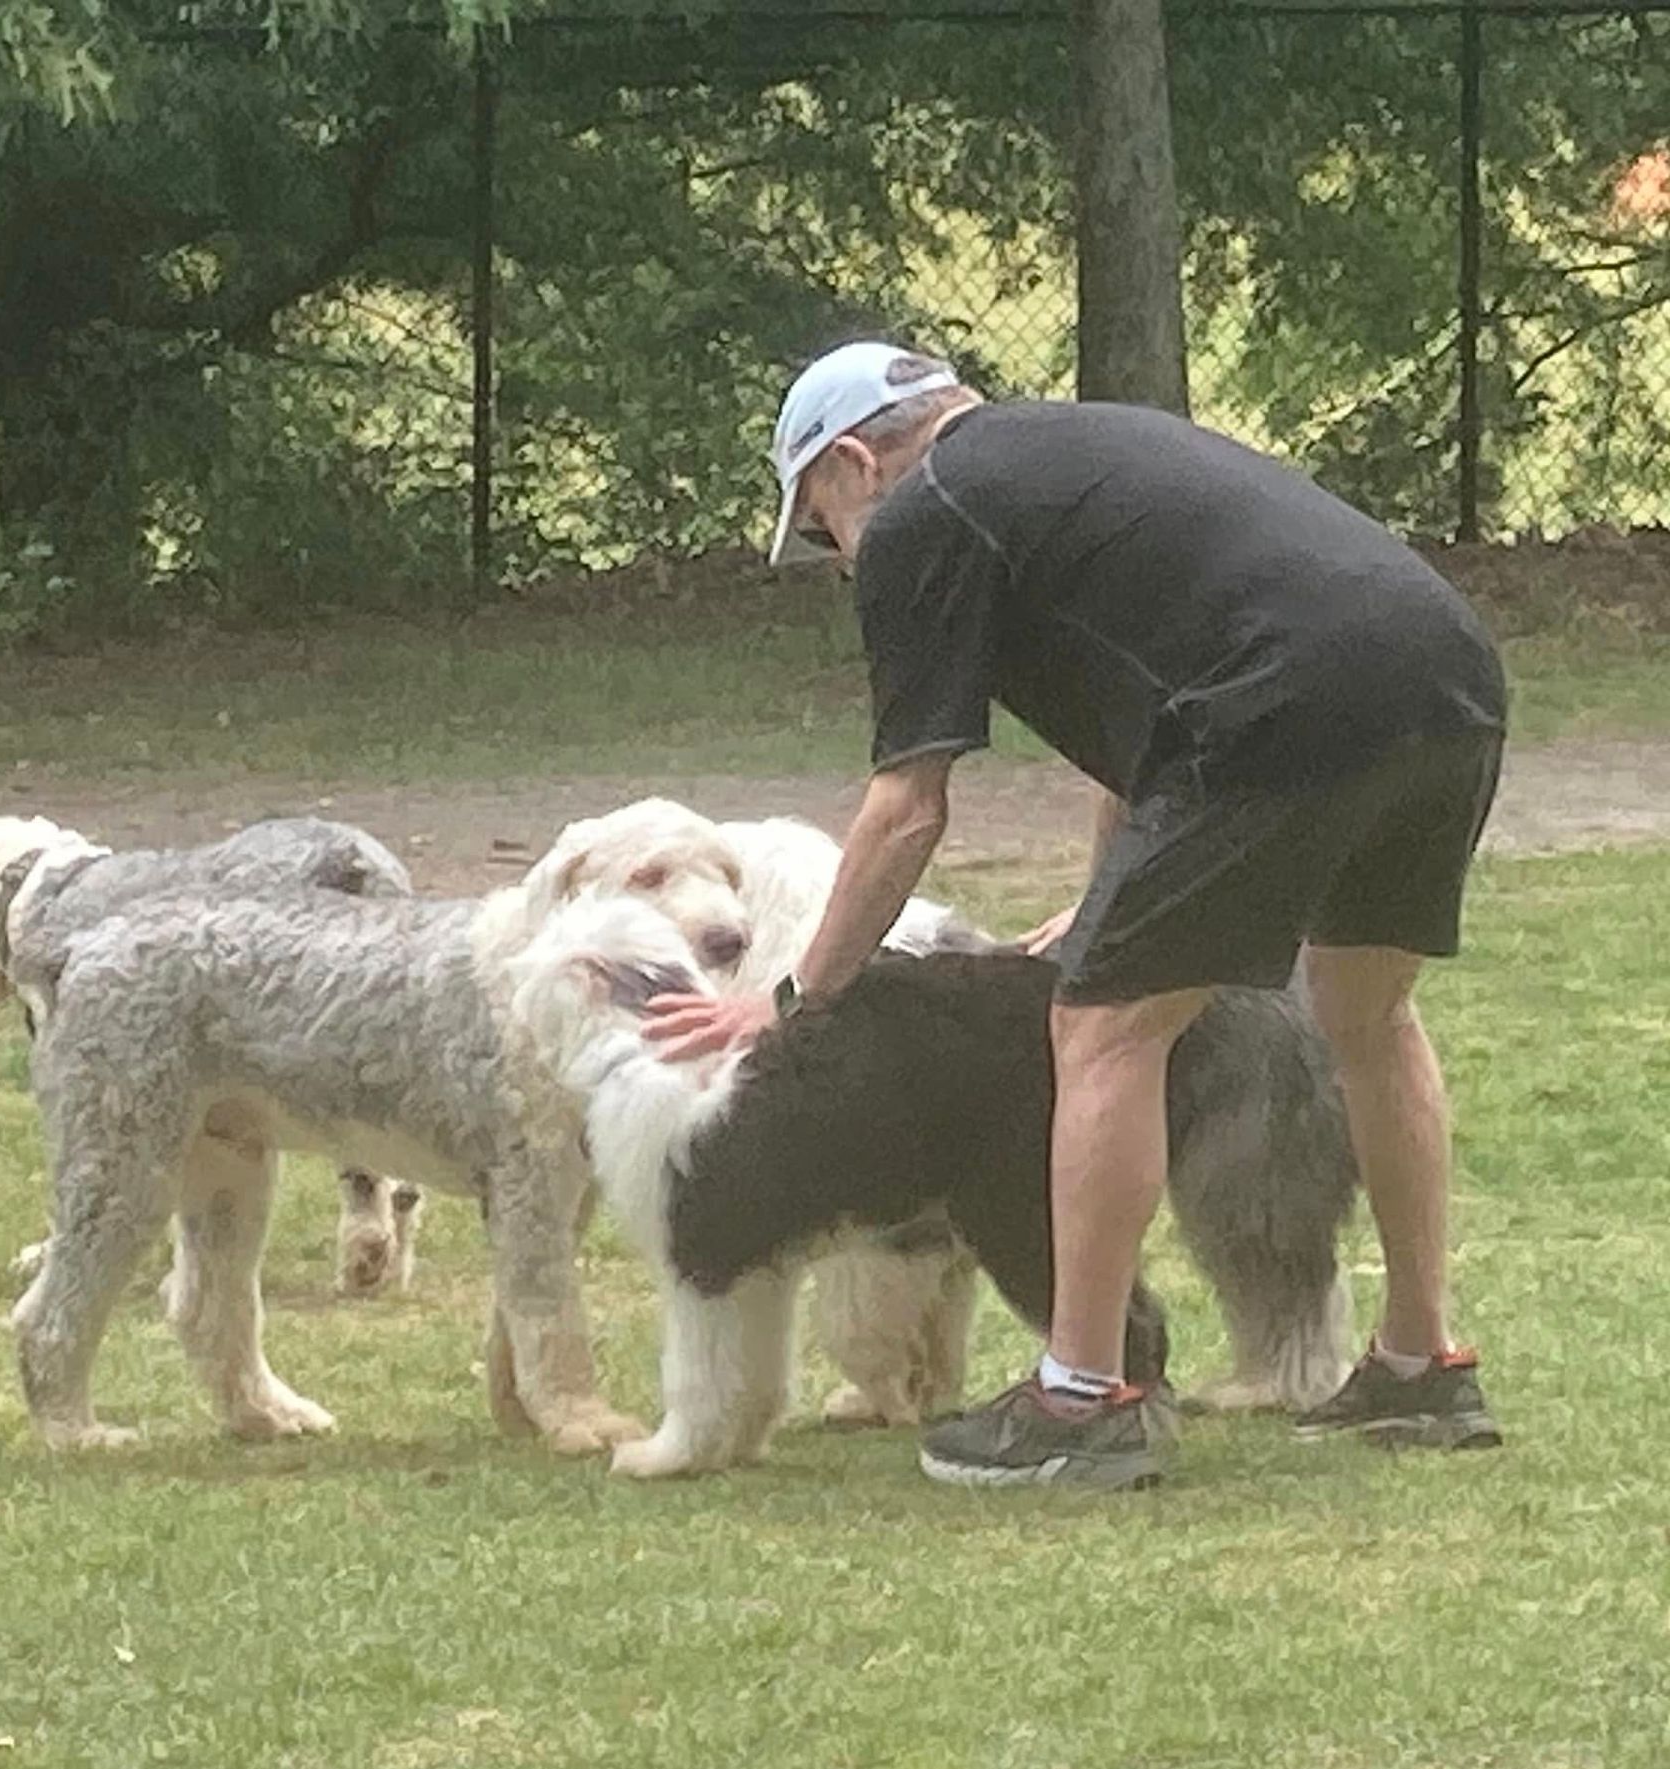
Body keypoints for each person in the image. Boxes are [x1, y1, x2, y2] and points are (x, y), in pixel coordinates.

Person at [643, 340, 1508, 1490]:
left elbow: (907, 808)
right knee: (1369, 1017)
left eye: (819, 528)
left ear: (854, 463)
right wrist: (1112, 904)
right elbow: (1139, 731)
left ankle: (1084, 1397)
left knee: (1101, 1028)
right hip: (1447, 672)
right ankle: (1420, 1366)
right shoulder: (1067, 455)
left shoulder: (925, 514)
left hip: (1282, 693)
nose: (840, 560)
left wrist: (793, 998)